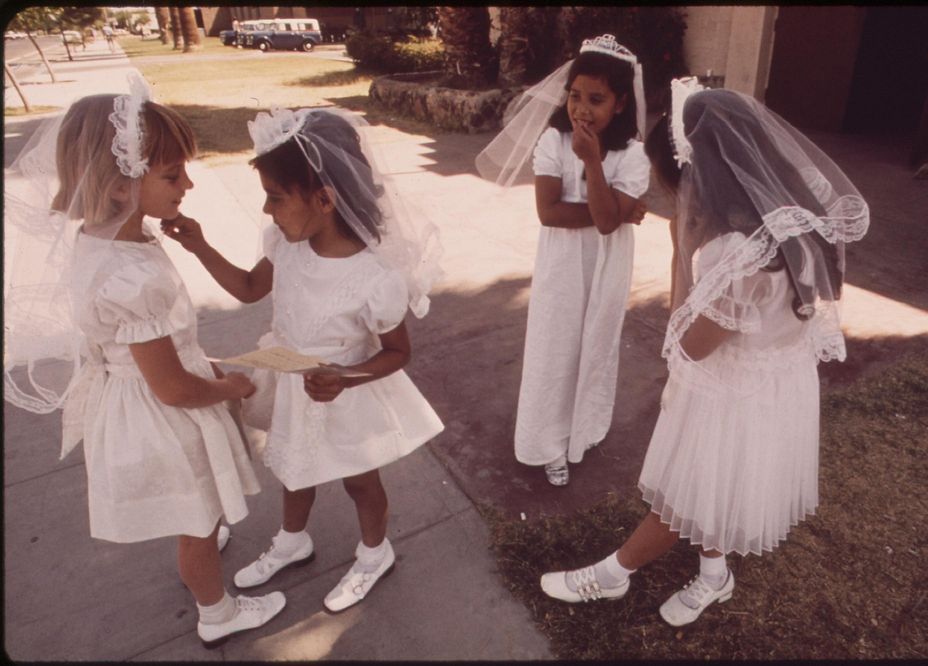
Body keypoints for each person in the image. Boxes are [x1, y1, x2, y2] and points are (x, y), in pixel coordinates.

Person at [539, 78, 870, 625]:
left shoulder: (727, 250)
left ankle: (612, 574)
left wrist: (679, 254)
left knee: (686, 491)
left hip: (731, 389)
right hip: (780, 378)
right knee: (721, 478)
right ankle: (715, 574)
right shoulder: (799, 218)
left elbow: (690, 343)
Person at [2, 73, 286, 648]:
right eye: (171, 173)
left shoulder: (108, 241)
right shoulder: (131, 277)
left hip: (139, 399)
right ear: (117, 185)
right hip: (163, 416)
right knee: (197, 522)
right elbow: (176, 390)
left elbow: (144, 350)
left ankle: (200, 540)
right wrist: (231, 386)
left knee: (196, 514)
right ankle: (218, 611)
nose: (187, 184)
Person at [162, 106, 444, 613]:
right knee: (294, 469)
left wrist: (345, 376)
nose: (268, 211)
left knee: (360, 481)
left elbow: (399, 351)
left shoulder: (375, 278)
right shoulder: (287, 247)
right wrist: (199, 246)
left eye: (275, 197)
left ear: (325, 199)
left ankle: (374, 553)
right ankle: (293, 539)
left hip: (345, 391)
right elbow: (249, 288)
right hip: (294, 383)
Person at [476, 34, 650, 486]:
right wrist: (614, 207)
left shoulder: (633, 155)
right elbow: (550, 212)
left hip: (606, 264)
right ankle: (545, 442)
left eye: (596, 99)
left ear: (620, 103)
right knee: (555, 345)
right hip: (561, 264)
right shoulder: (553, 141)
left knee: (595, 342)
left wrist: (594, 165)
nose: (581, 109)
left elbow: (609, 226)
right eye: (575, 96)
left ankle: (581, 430)